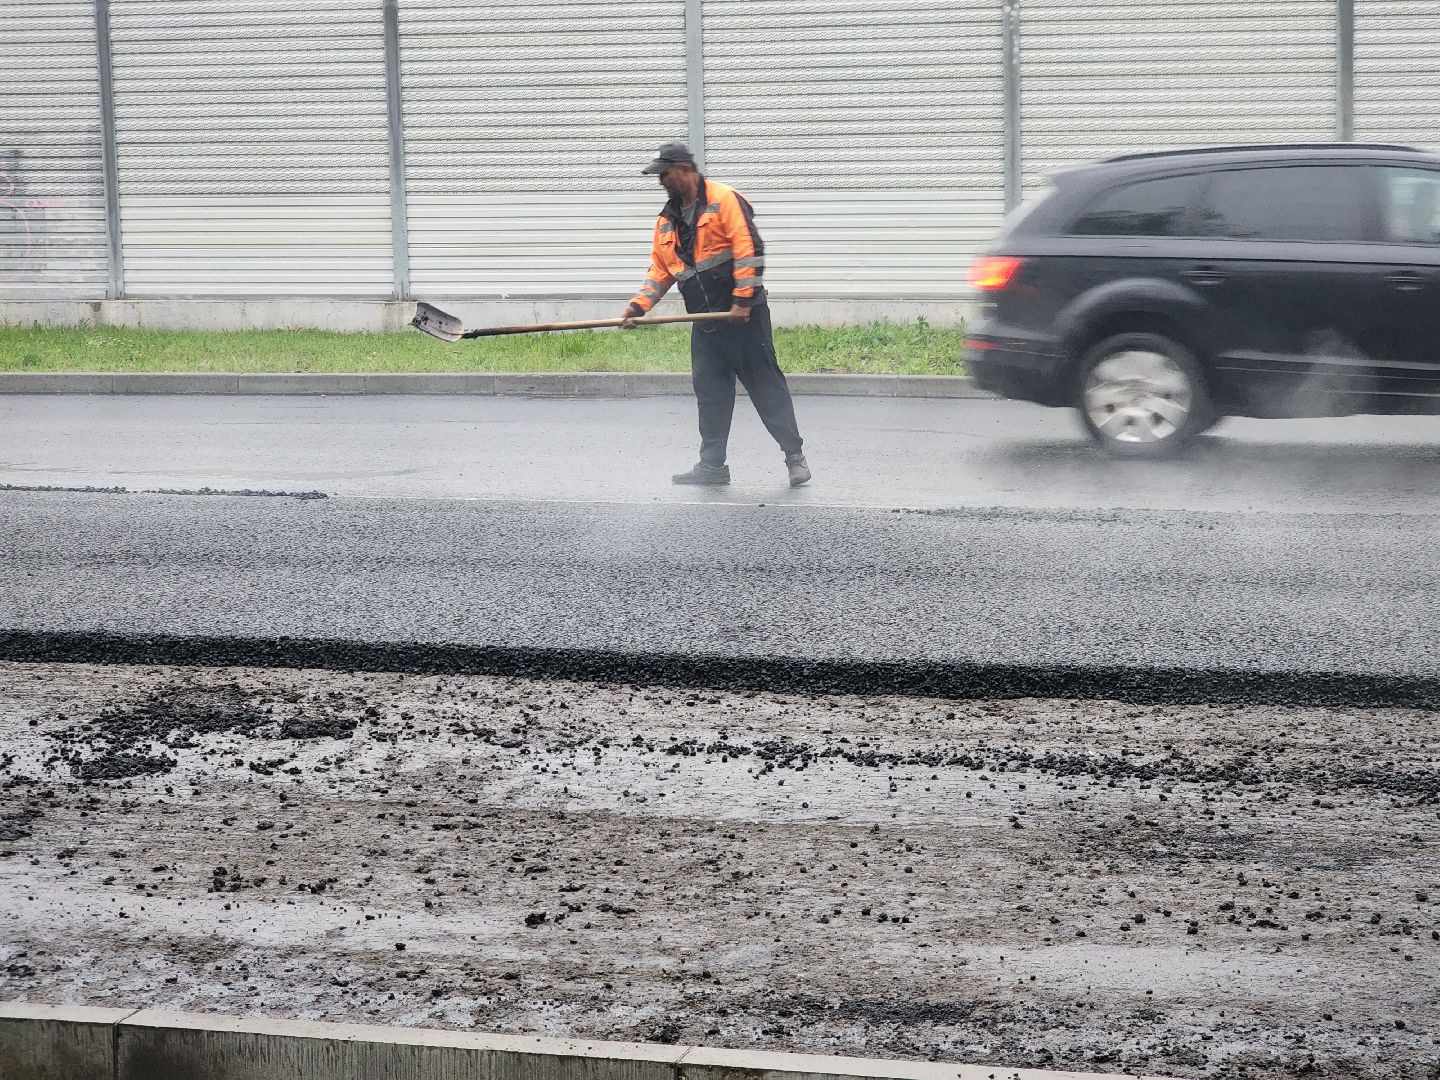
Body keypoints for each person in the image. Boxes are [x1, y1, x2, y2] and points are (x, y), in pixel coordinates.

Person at [621, 142, 810, 486]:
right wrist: (639, 306)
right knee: (710, 394)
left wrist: (743, 301)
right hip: (705, 323)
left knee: (766, 388)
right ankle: (712, 467)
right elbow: (661, 271)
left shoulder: (725, 200)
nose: (660, 181)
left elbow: (749, 250)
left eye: (665, 174)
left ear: (685, 170)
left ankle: (794, 457)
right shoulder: (666, 222)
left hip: (745, 319)